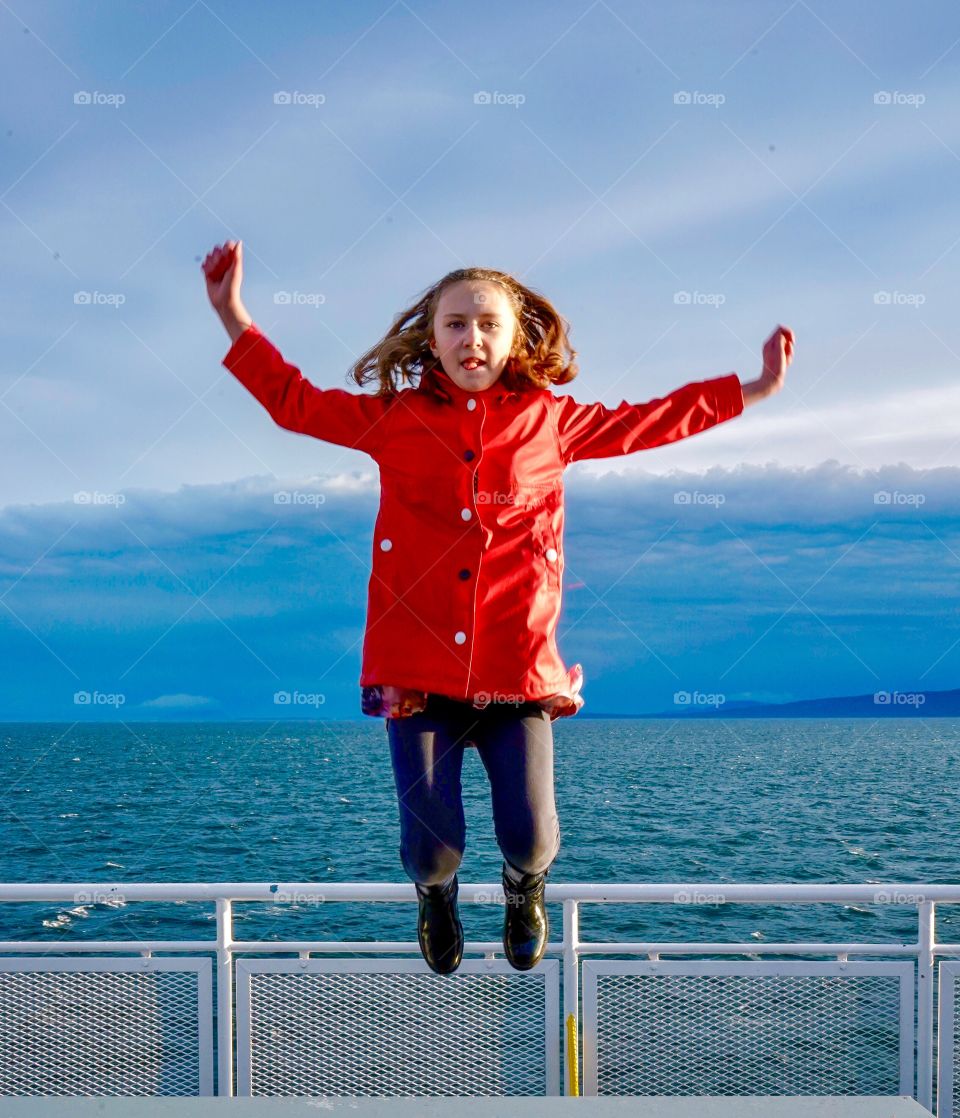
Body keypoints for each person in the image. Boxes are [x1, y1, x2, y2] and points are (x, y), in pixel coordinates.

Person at [202, 239, 794, 976]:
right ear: (432, 338)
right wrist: (234, 315)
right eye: (455, 324)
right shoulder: (395, 420)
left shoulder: (552, 422)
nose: (471, 338)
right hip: (417, 666)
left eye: (488, 324)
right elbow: (294, 402)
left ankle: (524, 890)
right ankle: (436, 896)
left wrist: (754, 388)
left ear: (516, 339)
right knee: (431, 849)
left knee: (531, 836)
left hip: (517, 666)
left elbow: (656, 418)